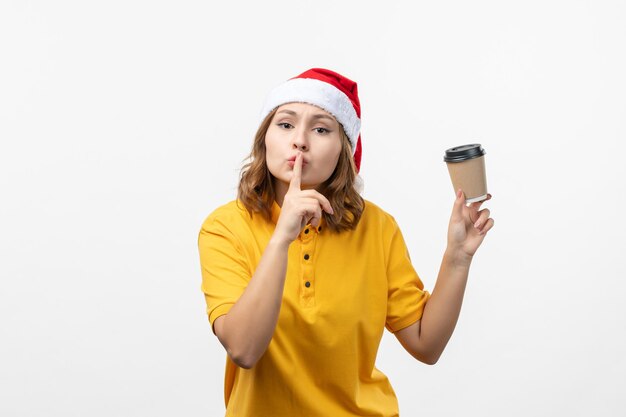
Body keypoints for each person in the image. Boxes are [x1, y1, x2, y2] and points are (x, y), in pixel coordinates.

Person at [197, 68, 494, 416]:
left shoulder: (378, 228)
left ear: (344, 149)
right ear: (265, 138)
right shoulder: (224, 228)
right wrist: (282, 239)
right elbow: (244, 350)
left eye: (321, 128)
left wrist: (457, 257)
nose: (300, 140)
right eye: (285, 124)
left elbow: (426, 345)